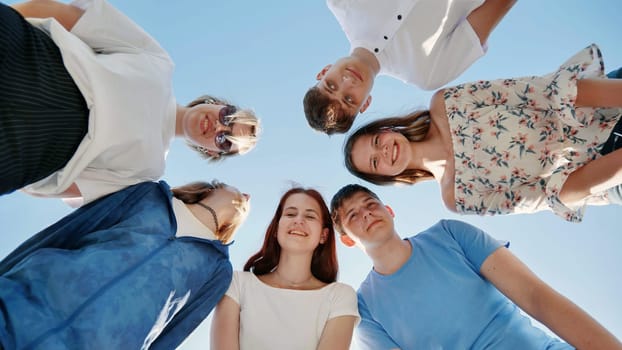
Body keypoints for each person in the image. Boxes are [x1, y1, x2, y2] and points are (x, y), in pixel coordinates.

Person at [1, 0, 260, 205]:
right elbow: (67, 16)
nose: (218, 127)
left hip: (30, 147)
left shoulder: (148, 171)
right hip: (30, 60)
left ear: (212, 152)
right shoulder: (159, 63)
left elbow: (67, 187)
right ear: (216, 103)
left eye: (225, 140)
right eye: (227, 117)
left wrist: (16, 169)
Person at [344, 44, 622, 222]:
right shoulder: (457, 197)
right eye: (375, 162)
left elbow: (539, 92)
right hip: (606, 174)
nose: (384, 151)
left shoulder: (445, 104)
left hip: (603, 103)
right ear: (385, 177)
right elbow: (548, 196)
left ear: (387, 128)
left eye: (377, 141)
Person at [330, 183, 622, 349]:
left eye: (370, 205)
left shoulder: (449, 235)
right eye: (353, 216)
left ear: (389, 211)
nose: (366, 215)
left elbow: (536, 296)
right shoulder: (365, 308)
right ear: (347, 240)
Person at [0, 179, 250, 349]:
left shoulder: (217, 268)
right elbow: (71, 230)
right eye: (238, 190)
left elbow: (174, 333)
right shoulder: (150, 196)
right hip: (18, 305)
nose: (247, 197)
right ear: (211, 188)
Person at [303, 0, 517, 134]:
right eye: (350, 99)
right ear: (365, 104)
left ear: (323, 71)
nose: (347, 82)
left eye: (330, 85)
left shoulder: (340, 3)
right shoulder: (428, 74)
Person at [210, 187, 359, 350]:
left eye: (310, 216)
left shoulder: (340, 296)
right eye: (290, 214)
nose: (298, 221)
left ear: (323, 235)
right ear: (276, 229)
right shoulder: (237, 284)